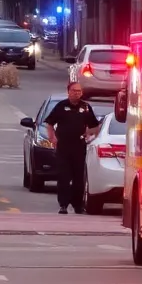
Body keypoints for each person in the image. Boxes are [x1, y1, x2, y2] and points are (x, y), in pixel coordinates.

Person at [43, 81, 100, 214]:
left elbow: (95, 126)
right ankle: (63, 204)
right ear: (68, 92)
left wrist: (89, 133)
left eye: (79, 91)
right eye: (74, 91)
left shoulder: (85, 107)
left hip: (79, 146)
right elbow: (50, 123)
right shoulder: (61, 106)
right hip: (63, 146)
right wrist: (53, 138)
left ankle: (78, 205)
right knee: (64, 176)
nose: (77, 93)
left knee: (78, 178)